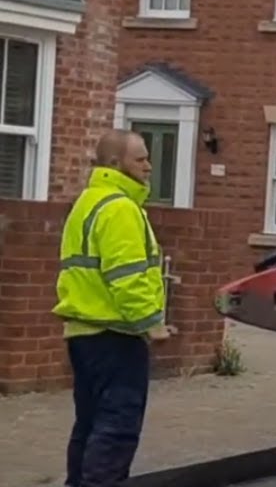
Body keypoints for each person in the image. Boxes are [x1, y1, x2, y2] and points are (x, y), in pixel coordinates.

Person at [52, 129, 176, 487]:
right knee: (116, 428)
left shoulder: (87, 203)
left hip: (83, 334)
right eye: (140, 159)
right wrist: (152, 324)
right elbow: (127, 276)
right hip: (115, 336)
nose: (149, 166)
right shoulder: (120, 208)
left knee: (88, 424)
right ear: (114, 163)